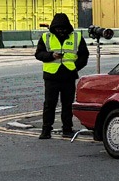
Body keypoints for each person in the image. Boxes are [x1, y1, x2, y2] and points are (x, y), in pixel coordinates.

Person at [34, 12, 90, 140]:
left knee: (67, 105)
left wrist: (76, 67)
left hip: (68, 76)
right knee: (49, 104)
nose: (61, 31)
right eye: (58, 29)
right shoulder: (46, 37)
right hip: (51, 76)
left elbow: (84, 55)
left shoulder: (76, 37)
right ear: (54, 28)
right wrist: (51, 56)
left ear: (68, 28)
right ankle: (46, 130)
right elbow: (38, 54)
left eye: (63, 29)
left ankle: (67, 129)